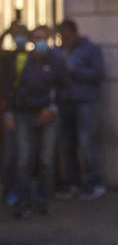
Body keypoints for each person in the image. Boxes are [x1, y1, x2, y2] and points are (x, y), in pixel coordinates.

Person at [3, 25, 66, 218]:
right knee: (24, 159)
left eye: (43, 38)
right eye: (36, 38)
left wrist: (53, 109)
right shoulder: (22, 61)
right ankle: (24, 200)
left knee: (46, 159)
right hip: (23, 114)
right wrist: (9, 113)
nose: (39, 42)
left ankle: (42, 200)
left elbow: (64, 88)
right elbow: (12, 88)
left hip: (48, 114)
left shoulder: (56, 61)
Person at [54, 19, 106, 200]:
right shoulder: (58, 51)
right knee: (67, 144)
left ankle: (93, 183)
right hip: (65, 102)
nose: (64, 40)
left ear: (75, 33)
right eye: (61, 37)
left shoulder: (90, 49)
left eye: (67, 36)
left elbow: (98, 73)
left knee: (86, 142)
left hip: (85, 102)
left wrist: (74, 71)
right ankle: (72, 183)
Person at [0, 20, 30, 207]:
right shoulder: (7, 56)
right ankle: (9, 190)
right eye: (16, 34)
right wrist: (5, 32)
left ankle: (23, 191)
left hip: (27, 110)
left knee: (24, 154)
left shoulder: (32, 56)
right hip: (9, 108)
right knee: (10, 152)